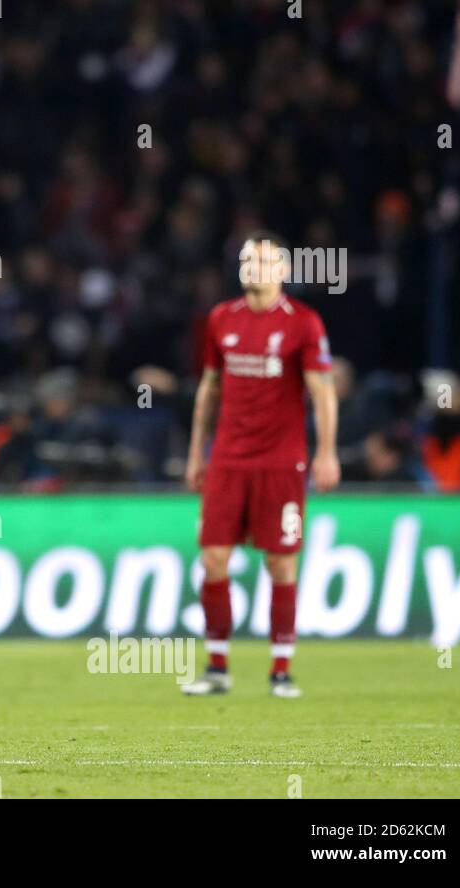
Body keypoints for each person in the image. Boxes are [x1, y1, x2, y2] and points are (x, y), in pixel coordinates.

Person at [183, 232, 340, 698]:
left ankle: (280, 669)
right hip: (229, 458)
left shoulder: (303, 324)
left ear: (284, 271)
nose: (254, 267)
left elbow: (322, 392)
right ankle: (217, 668)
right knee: (213, 556)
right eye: (248, 260)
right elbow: (209, 389)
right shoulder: (221, 319)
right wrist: (197, 453)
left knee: (281, 563)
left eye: (265, 261)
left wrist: (326, 451)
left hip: (280, 462)